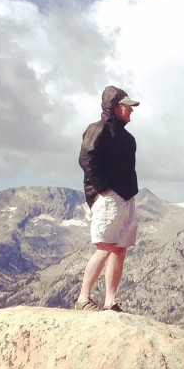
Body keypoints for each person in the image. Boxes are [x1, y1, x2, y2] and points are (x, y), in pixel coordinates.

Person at [75, 85, 140, 311]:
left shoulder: (128, 139)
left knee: (120, 248)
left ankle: (110, 301)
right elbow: (86, 159)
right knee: (105, 246)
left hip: (127, 197)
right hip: (109, 197)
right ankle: (83, 298)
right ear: (115, 107)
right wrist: (103, 190)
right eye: (127, 107)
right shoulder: (98, 129)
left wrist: (128, 193)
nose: (131, 111)